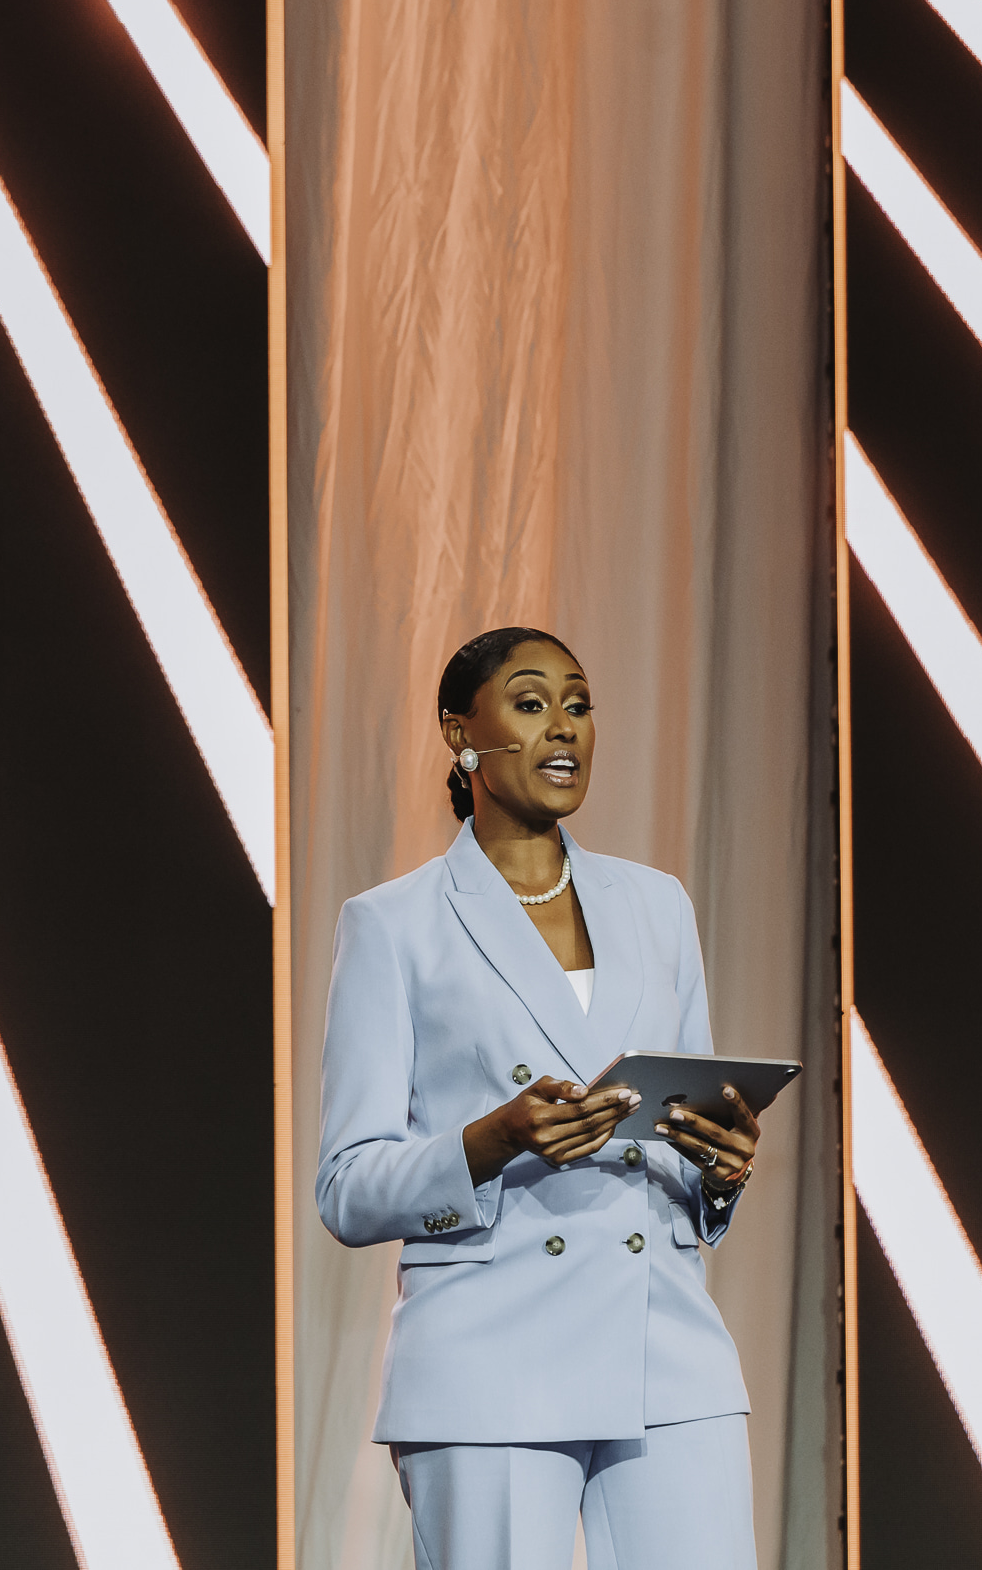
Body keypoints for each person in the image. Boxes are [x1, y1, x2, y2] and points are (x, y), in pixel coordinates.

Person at [316, 626, 765, 1570]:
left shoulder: (658, 905)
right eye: (530, 702)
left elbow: (685, 1121)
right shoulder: (393, 924)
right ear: (461, 734)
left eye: (579, 703)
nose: (564, 725)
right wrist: (492, 1139)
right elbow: (347, 1188)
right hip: (490, 1357)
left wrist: (720, 1169)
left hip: (667, 1347)